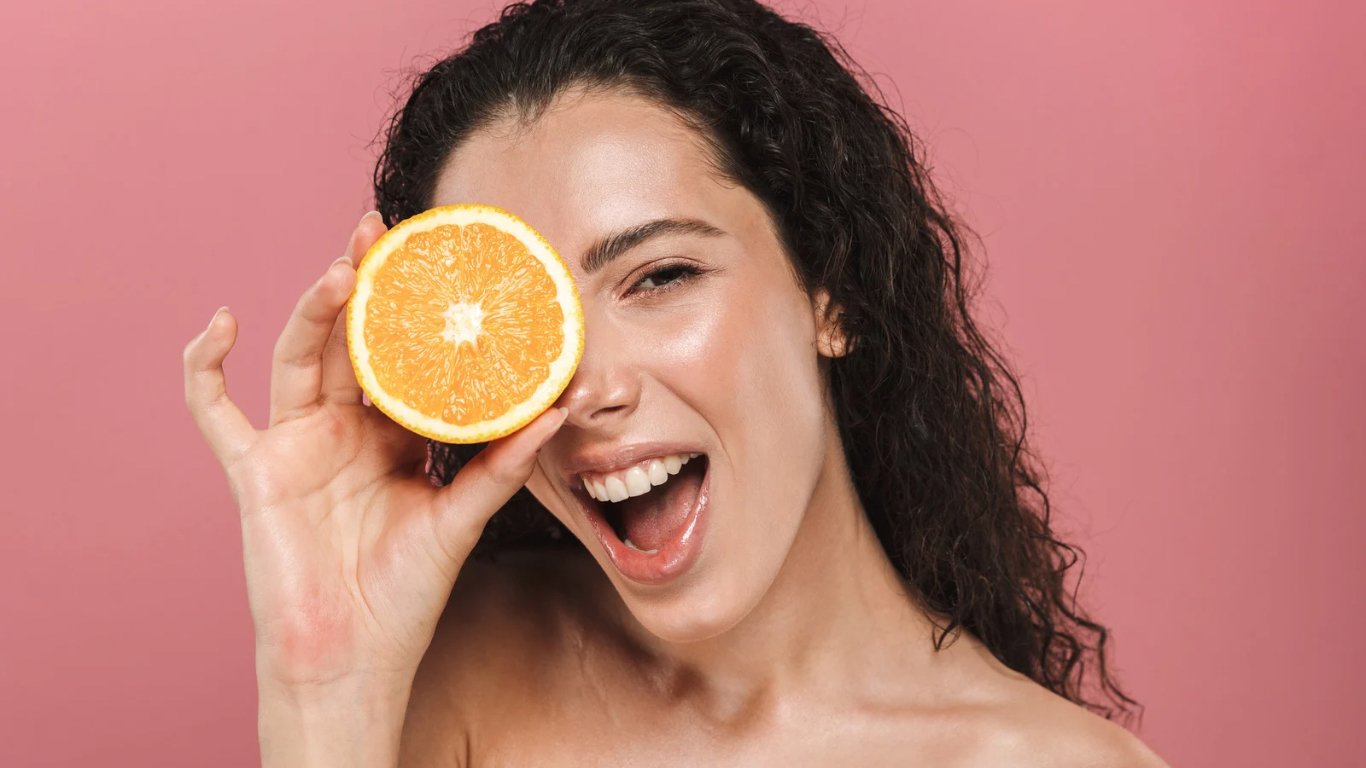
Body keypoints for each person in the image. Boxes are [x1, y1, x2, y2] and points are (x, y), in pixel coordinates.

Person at [183, 0, 1168, 764]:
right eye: (531, 333)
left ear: (830, 291)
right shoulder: (453, 671)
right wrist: (324, 686)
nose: (586, 389)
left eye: (659, 278)